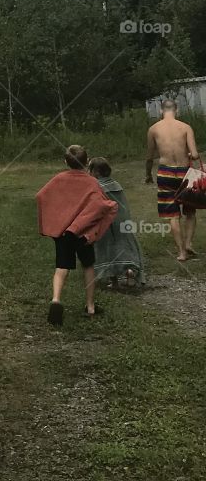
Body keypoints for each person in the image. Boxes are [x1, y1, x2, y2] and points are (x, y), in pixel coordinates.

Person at [36, 144, 119, 326]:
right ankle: (90, 306)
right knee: (88, 266)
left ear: (65, 162)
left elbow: (42, 196)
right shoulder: (91, 182)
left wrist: (57, 216)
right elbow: (101, 204)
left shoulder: (58, 179)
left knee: (61, 267)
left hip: (62, 232)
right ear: (86, 161)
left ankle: (56, 300)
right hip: (83, 232)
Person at [144, 99, 200, 262]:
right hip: (184, 173)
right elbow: (195, 155)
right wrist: (188, 155)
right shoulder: (185, 127)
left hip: (165, 172)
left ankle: (181, 252)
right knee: (190, 210)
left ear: (161, 111)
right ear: (177, 110)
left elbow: (149, 157)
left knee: (172, 215)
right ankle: (189, 243)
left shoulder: (153, 129)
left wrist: (148, 175)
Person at [88, 156, 146, 290]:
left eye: (89, 169)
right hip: (121, 221)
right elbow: (123, 205)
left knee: (107, 249)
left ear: (96, 172)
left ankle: (113, 280)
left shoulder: (97, 187)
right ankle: (129, 273)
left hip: (105, 224)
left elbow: (96, 207)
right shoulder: (116, 185)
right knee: (123, 246)